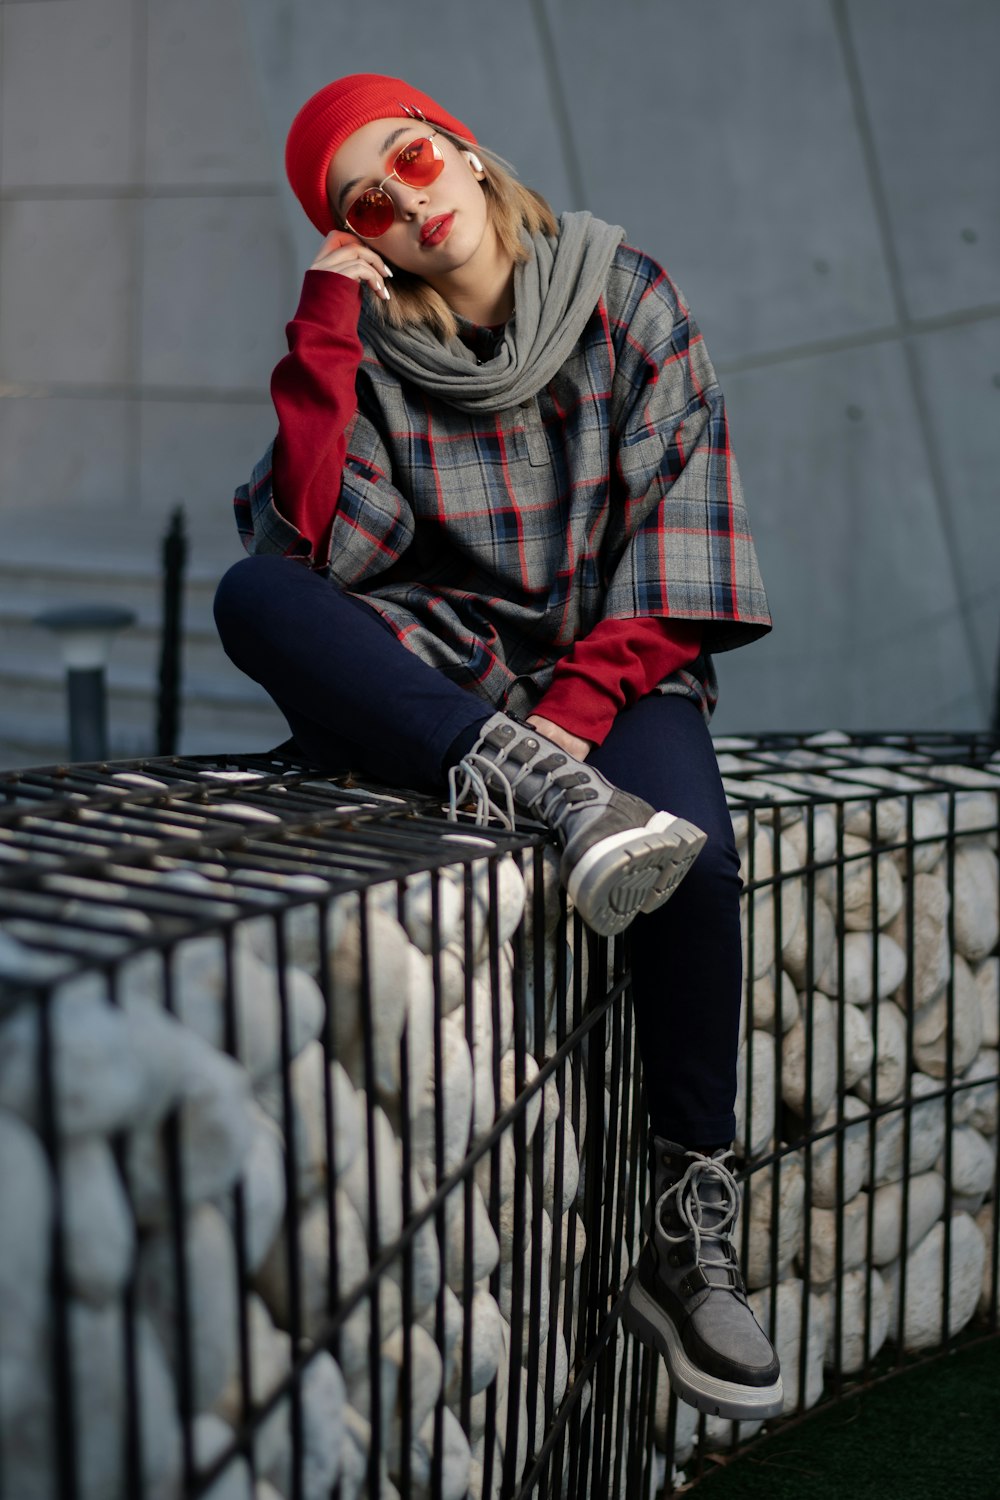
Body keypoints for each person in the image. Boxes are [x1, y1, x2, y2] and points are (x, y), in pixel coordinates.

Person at [214, 73, 781, 1423]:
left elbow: (682, 538)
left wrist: (580, 716)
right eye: (366, 200)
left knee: (694, 871)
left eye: (411, 158)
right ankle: (530, 787)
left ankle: (689, 1227)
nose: (406, 199)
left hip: (612, 660)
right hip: (455, 684)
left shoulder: (627, 293)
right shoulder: (372, 344)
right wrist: (327, 322)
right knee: (251, 593)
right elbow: (305, 547)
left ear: (462, 152)